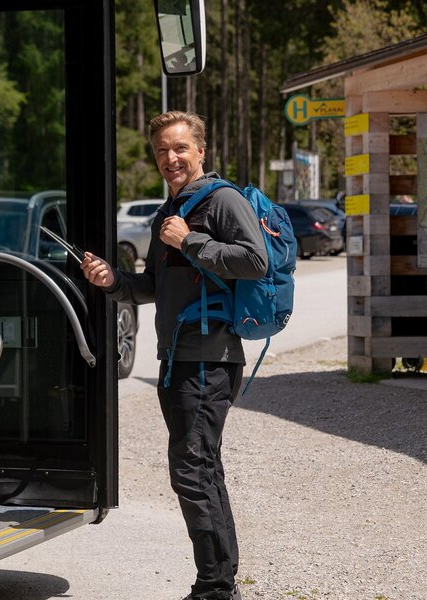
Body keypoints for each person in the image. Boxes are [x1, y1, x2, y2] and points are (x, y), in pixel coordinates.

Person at [80, 111, 266, 600]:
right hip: (178, 360)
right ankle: (219, 583)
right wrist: (114, 281)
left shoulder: (220, 200)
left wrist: (192, 240)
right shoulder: (168, 210)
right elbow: (153, 287)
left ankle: (214, 588)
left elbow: (255, 260)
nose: (170, 158)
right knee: (202, 468)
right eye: (162, 150)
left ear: (201, 150)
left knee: (190, 470)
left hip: (210, 360)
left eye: (180, 148)